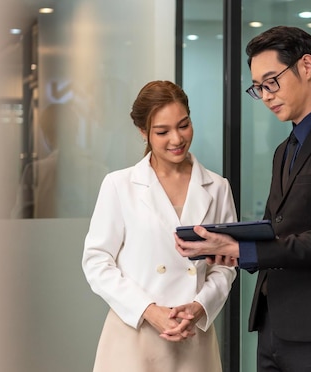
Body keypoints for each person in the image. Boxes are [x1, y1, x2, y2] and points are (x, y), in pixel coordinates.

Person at [175, 26, 311, 371]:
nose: (266, 95)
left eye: (272, 82)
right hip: (274, 325)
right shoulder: (285, 150)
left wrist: (243, 249)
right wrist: (226, 247)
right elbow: (276, 230)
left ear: (306, 66)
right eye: (258, 88)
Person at [82, 80, 237, 371]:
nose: (177, 139)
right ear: (143, 132)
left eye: (184, 125)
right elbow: (96, 262)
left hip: (193, 334)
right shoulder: (120, 185)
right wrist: (148, 311)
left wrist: (200, 306)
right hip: (134, 334)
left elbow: (226, 264)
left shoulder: (217, 187)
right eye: (162, 131)